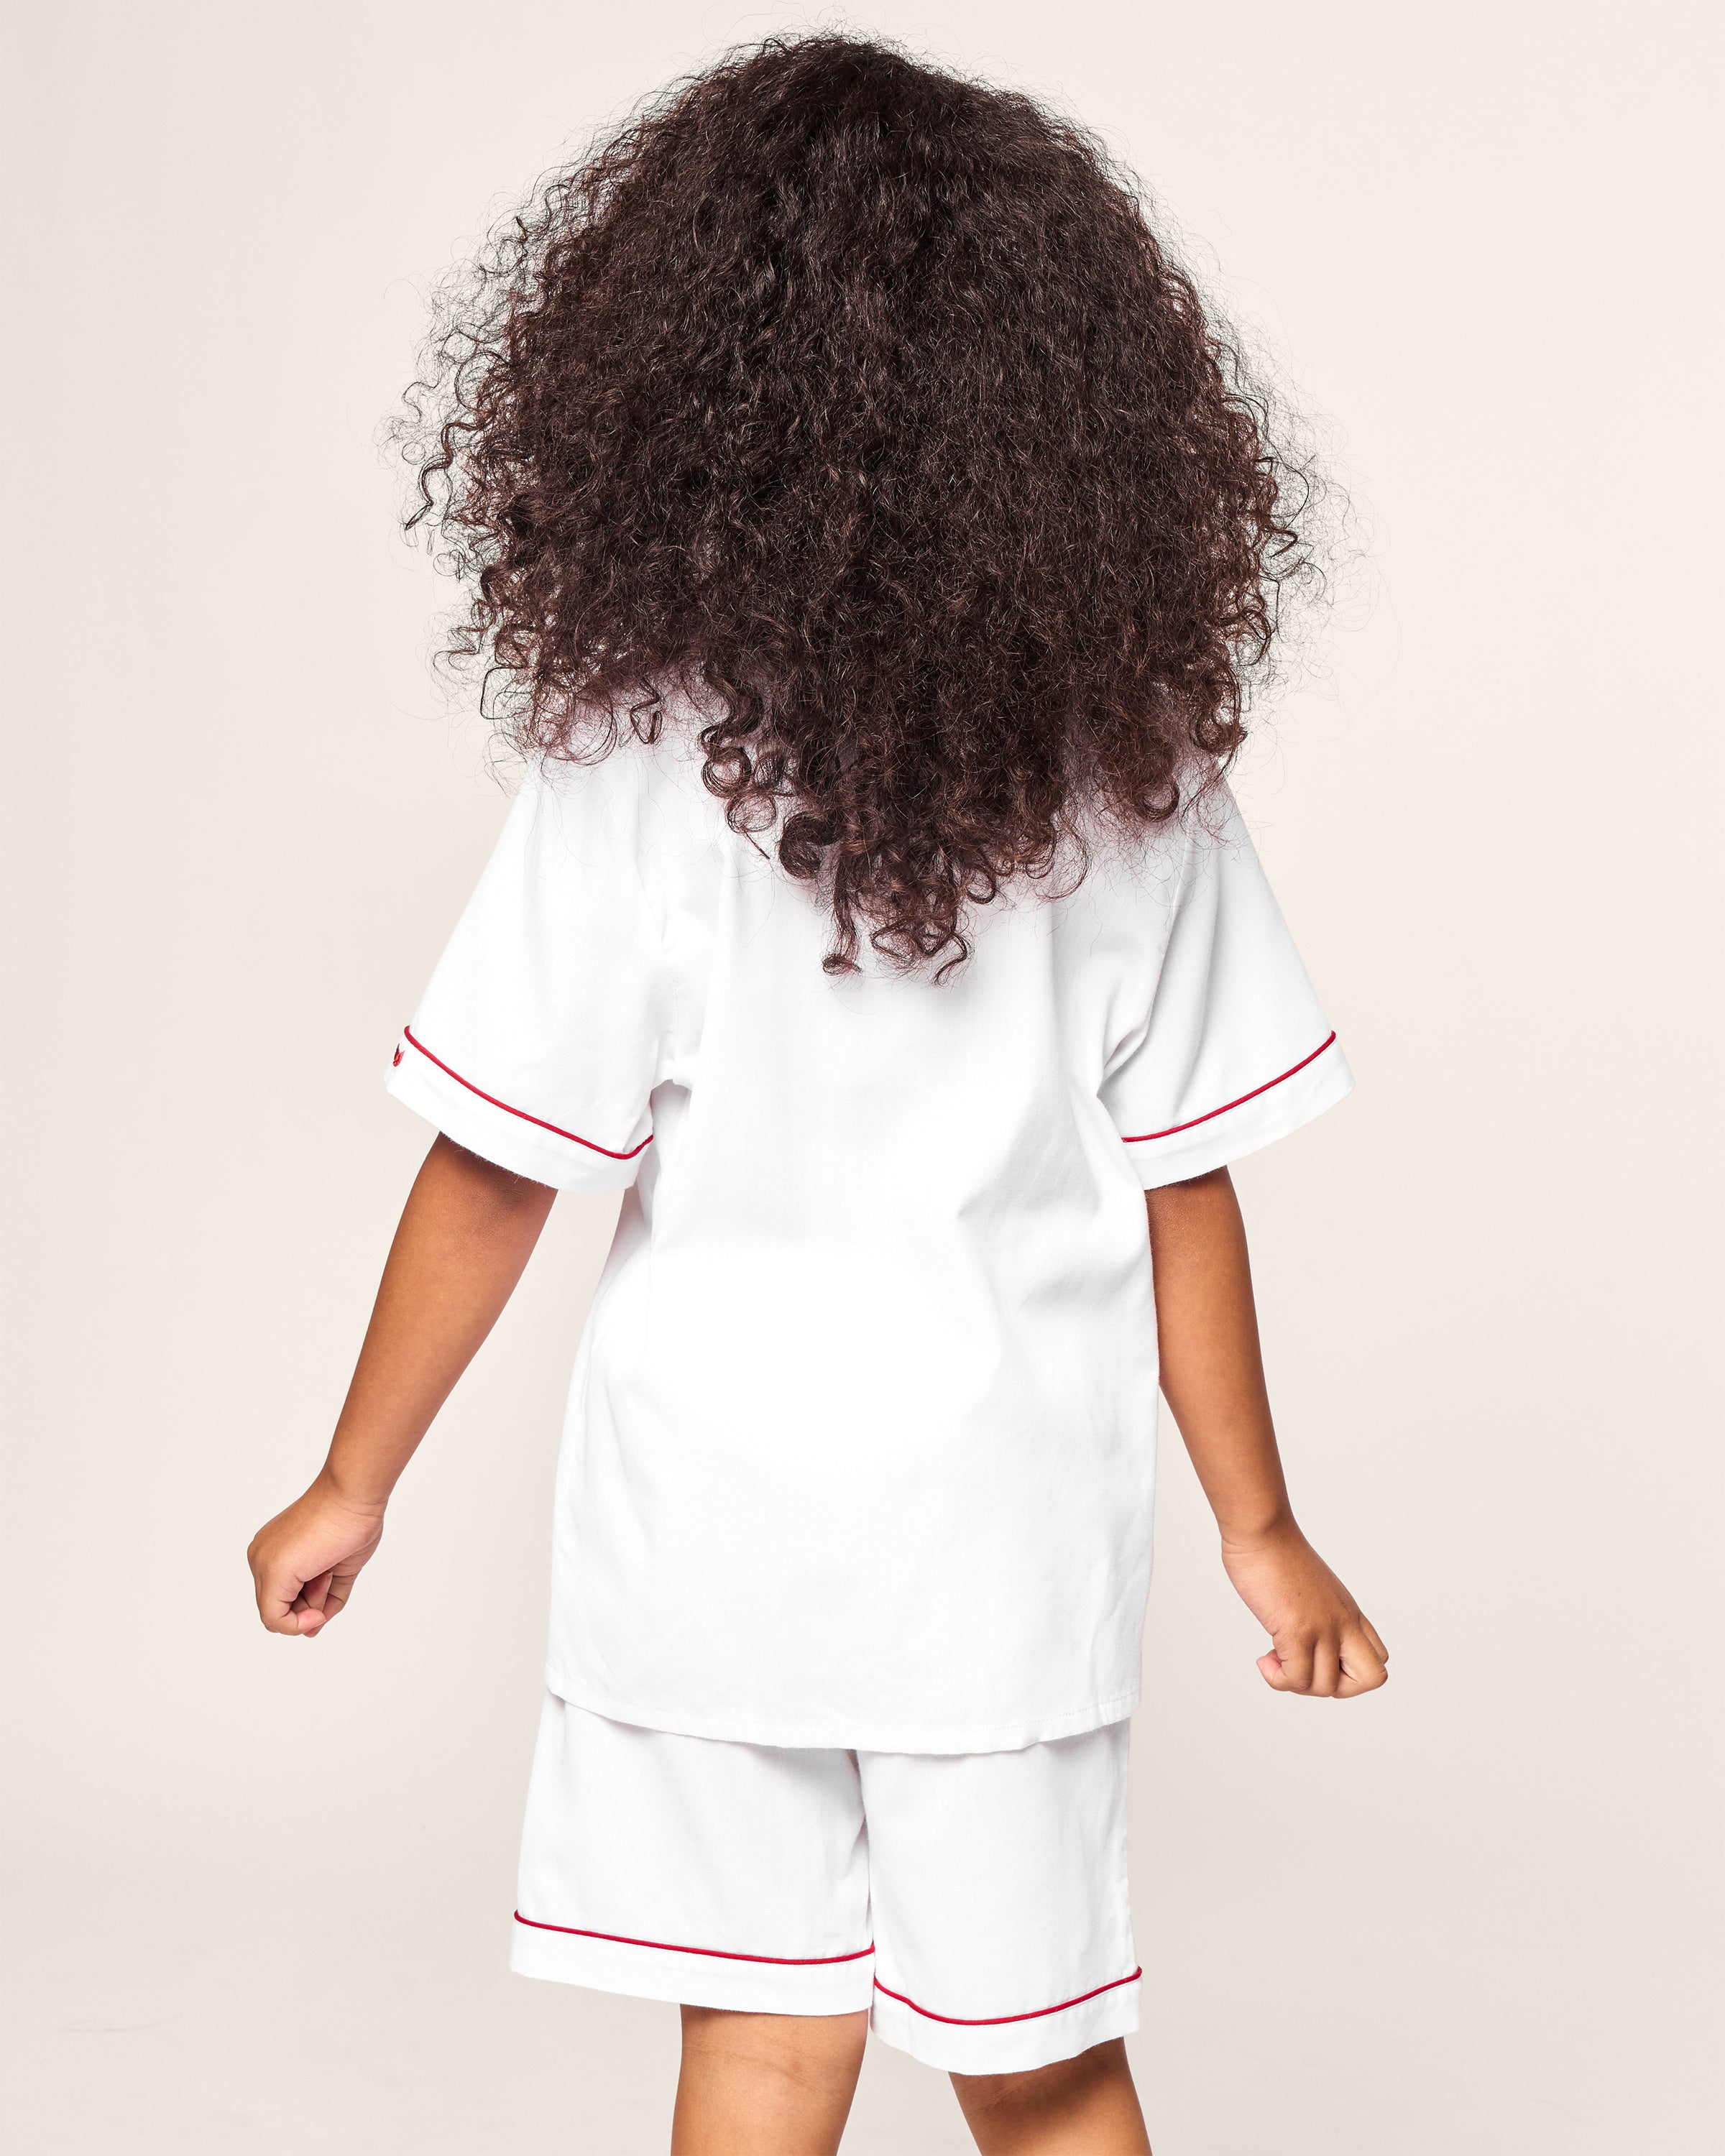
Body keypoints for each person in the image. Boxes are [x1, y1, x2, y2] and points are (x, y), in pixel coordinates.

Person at [247, 34, 1386, 2155]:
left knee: (761, 2046)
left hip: (710, 1541)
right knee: (1043, 2064)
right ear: (1079, 403)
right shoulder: (1135, 777)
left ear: (667, 383)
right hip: (1002, 1558)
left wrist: (352, 1477)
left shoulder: (630, 763)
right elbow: (1186, 1190)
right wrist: (1261, 1528)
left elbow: (500, 1165)